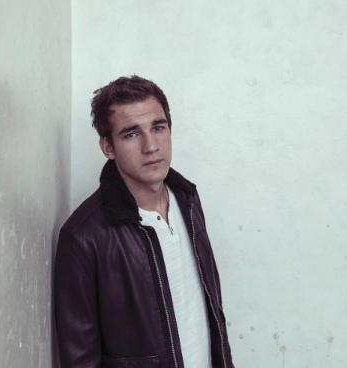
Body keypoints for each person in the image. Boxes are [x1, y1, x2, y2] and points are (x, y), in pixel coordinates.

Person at [54, 75, 234, 368]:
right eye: (131, 134)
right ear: (108, 147)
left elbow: (213, 312)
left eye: (158, 128)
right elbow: (80, 360)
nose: (151, 146)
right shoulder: (84, 238)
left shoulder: (187, 199)